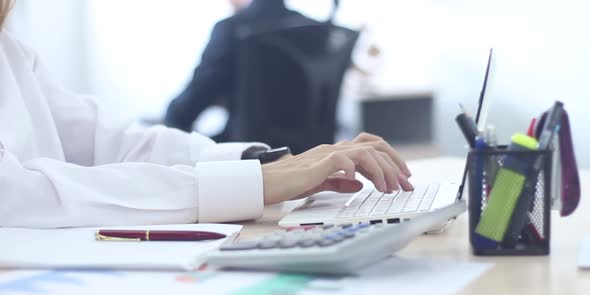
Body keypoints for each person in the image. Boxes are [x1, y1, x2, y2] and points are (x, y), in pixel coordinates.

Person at [0, 0, 413, 229]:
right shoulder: (313, 26)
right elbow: (14, 196)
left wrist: (266, 163)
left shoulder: (13, 51)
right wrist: (255, 179)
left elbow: (129, 137)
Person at [164, 0, 318, 139]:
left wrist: (172, 117)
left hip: (249, 154)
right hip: (310, 154)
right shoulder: (315, 32)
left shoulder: (232, 28)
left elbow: (198, 94)